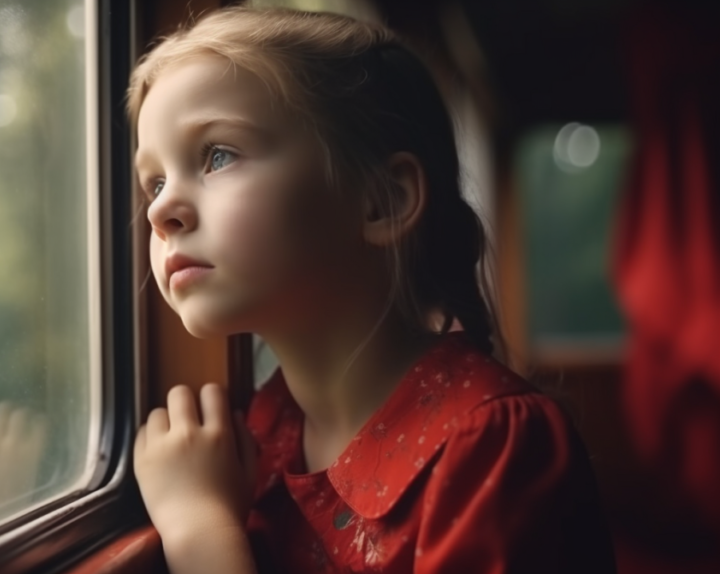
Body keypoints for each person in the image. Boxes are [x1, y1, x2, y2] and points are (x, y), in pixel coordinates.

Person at [129, 6, 616, 574]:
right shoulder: (258, 433)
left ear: (382, 200)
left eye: (218, 155)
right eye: (154, 181)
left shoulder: (494, 449)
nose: (161, 209)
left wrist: (199, 531)